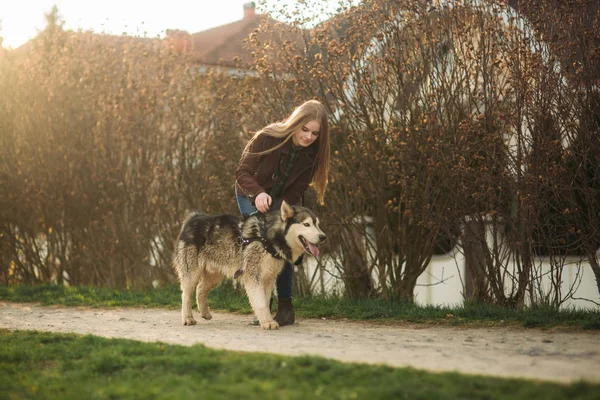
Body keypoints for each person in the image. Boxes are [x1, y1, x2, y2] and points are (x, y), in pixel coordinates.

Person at [235, 99, 330, 326]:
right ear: (295, 122)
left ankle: (286, 307)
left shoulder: (312, 155)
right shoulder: (268, 137)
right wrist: (257, 194)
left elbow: (297, 190)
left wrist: (281, 214)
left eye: (315, 134)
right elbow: (242, 172)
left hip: (281, 201)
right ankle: (262, 308)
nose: (308, 137)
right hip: (250, 193)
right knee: (260, 246)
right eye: (304, 129)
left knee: (284, 240)